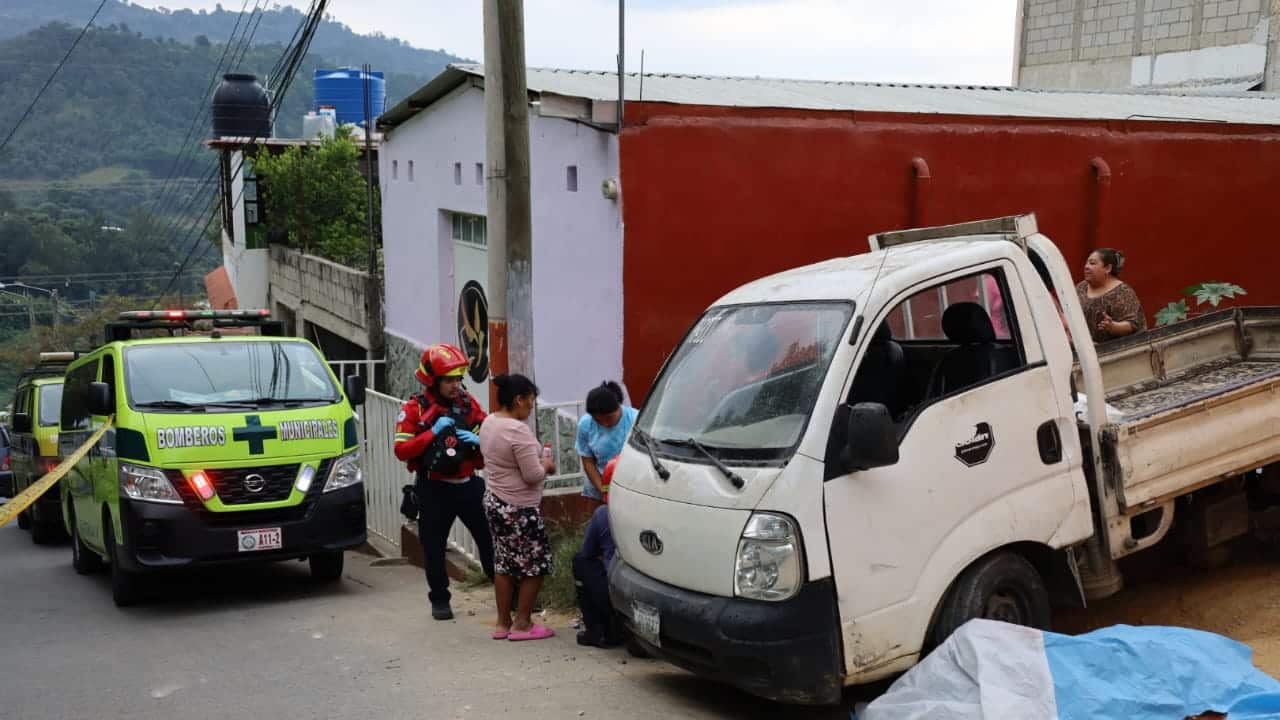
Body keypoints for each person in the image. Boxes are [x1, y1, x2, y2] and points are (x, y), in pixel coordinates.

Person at [394, 343, 494, 621]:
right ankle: (440, 600)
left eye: (458, 379)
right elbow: (402, 449)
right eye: (449, 379)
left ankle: (505, 594)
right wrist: (431, 433)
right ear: (434, 380)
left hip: (468, 484)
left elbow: (487, 429)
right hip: (433, 487)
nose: (455, 385)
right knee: (434, 548)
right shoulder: (414, 409)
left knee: (489, 542)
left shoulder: (467, 404)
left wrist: (481, 438)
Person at [479, 373, 557, 642]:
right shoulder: (516, 430)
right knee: (534, 564)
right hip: (519, 507)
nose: (532, 406)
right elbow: (533, 475)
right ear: (518, 399)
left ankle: (503, 622)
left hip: (495, 500)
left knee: (504, 562)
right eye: (530, 401)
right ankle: (523, 623)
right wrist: (546, 465)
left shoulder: (489, 422)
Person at [574, 457, 623, 647]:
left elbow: (587, 554)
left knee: (580, 562)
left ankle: (597, 631)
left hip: (616, 586)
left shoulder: (603, 514)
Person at [575, 381, 638, 509]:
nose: (605, 424)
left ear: (619, 406)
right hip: (598, 482)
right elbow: (588, 462)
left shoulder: (636, 420)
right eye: (598, 420)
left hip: (631, 483)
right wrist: (604, 491)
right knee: (601, 521)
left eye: (609, 418)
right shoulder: (585, 424)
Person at [1076, 248, 1146, 344]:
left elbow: (1133, 324)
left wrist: (1113, 326)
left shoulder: (1122, 292)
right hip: (1085, 350)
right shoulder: (1081, 288)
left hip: (1118, 352)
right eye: (1087, 263)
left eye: (1092, 263)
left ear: (1108, 268)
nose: (1086, 267)